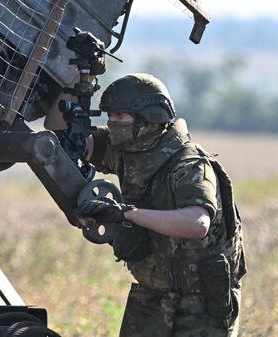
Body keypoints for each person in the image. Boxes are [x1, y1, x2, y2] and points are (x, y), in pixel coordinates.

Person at [77, 73, 246, 337]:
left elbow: (196, 223)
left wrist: (127, 214)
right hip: (153, 295)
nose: (111, 123)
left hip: (199, 304)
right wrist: (68, 86)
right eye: (110, 116)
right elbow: (69, 139)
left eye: (120, 116)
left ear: (148, 119)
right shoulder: (128, 151)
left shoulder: (189, 165)